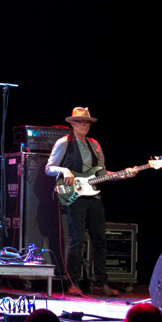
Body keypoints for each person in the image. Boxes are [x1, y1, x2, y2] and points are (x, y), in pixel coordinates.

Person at [46, 107, 136, 297]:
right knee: (77, 240)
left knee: (100, 240)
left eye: (87, 122)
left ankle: (101, 283)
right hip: (75, 195)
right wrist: (64, 171)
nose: (85, 125)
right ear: (72, 124)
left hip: (94, 196)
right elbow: (49, 168)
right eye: (80, 122)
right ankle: (73, 283)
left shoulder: (94, 145)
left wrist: (122, 175)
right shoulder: (63, 143)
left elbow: (102, 174)